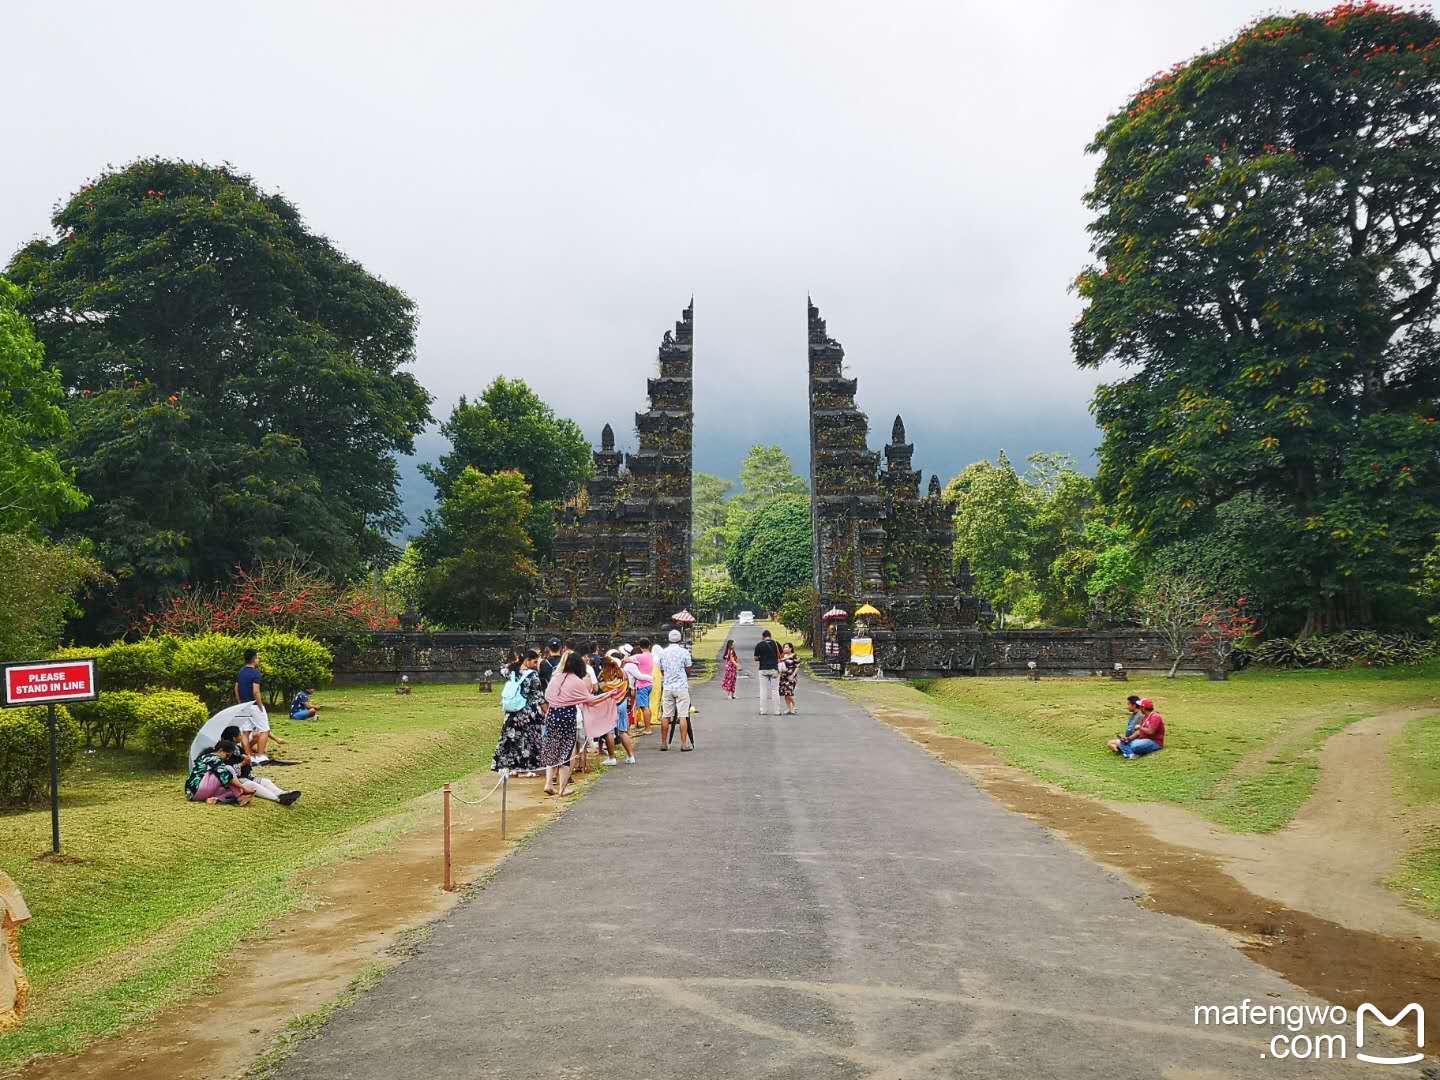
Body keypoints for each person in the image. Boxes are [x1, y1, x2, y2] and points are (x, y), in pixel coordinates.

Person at [541, 653, 624, 796]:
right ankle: (562, 788)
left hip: (552, 715)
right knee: (566, 751)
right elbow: (590, 700)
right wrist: (607, 695)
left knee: (552, 748)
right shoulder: (576, 681)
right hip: (567, 716)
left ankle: (548, 783)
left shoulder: (555, 678)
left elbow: (547, 696)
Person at [493, 649, 545, 776]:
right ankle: (527, 767)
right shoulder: (533, 675)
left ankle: (511, 767)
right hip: (528, 712)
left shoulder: (511, 672)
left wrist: (516, 662)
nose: (536, 664)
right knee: (528, 740)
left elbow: (502, 669)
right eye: (534, 661)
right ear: (527, 661)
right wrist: (546, 711)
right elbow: (539, 695)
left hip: (512, 712)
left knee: (511, 739)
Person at [235, 648, 284, 763]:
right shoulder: (256, 673)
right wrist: (260, 705)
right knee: (265, 730)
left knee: (245, 732)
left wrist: (239, 702)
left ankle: (248, 756)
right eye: (257, 657)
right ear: (253, 659)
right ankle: (260, 756)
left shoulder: (241, 672)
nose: (258, 659)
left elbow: (236, 688)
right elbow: (256, 691)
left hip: (243, 705)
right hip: (254, 705)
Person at [657, 629, 694, 751]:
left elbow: (661, 670)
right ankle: (684, 744)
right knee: (683, 715)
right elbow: (688, 669)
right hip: (681, 686)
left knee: (666, 715)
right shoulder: (684, 652)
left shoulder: (662, 653)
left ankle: (664, 743)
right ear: (680, 640)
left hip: (668, 686)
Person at [599, 653, 637, 765]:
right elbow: (628, 687)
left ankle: (612, 758)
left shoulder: (603, 675)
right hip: (622, 703)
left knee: (609, 732)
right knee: (623, 731)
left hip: (609, 705)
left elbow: (600, 689)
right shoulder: (623, 673)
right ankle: (631, 756)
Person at [630, 637, 656, 735]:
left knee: (644, 707)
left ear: (640, 646)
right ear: (649, 646)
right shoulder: (651, 655)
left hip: (642, 684)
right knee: (647, 706)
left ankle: (648, 728)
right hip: (649, 684)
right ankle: (648, 726)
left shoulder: (639, 657)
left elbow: (627, 659)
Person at [754, 630, 781, 716]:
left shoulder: (759, 645)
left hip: (763, 669)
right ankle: (777, 711)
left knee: (763, 690)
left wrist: (761, 658)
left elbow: (755, 658)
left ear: (763, 636)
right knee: (775, 690)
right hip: (774, 669)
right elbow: (781, 654)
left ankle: (763, 711)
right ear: (770, 635)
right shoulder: (776, 644)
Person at [778, 643, 799, 715]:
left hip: (791, 677)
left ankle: (794, 706)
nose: (785, 649)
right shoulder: (782, 656)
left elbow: (797, 666)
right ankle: (789, 708)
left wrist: (793, 675)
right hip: (783, 677)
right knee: (785, 693)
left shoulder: (794, 656)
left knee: (789, 692)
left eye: (787, 647)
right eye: (784, 647)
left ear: (791, 648)